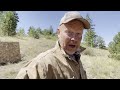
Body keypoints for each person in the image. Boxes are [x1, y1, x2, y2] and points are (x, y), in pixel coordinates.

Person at [15, 11, 90, 79]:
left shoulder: (76, 57)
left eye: (78, 33)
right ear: (58, 33)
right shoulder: (42, 64)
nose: (74, 38)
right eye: (69, 32)